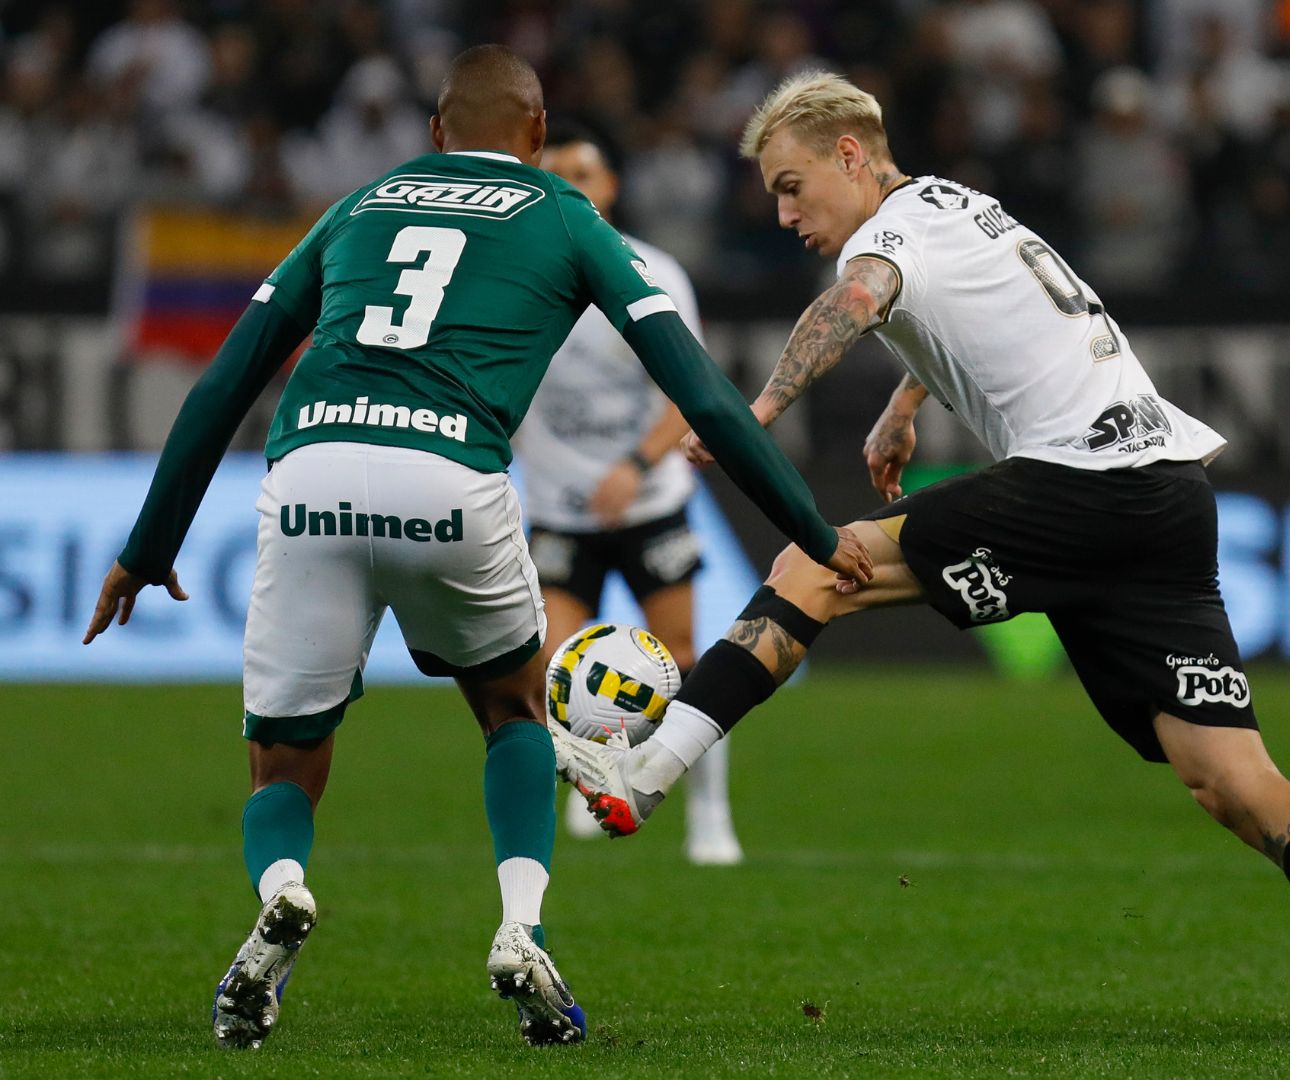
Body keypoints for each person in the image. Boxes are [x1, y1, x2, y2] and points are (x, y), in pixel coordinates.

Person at [551, 71, 1290, 1038]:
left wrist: (754, 409)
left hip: (1079, 485)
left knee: (814, 569)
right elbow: (1003, 316)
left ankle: (643, 774)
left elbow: (859, 299)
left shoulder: (881, 239)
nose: (783, 213)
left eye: (791, 185)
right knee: (1228, 778)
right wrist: (907, 402)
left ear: (851, 156)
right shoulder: (961, 207)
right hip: (1166, 496)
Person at [82, 46, 867, 1049]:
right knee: (511, 710)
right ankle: (518, 931)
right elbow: (703, 395)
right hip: (451, 477)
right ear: (538, 136)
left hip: (311, 472)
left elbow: (222, 385)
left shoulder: (361, 203)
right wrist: (811, 530)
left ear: (433, 135)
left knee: (280, 760)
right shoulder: (563, 213)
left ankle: (283, 891)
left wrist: (148, 549)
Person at [518, 123, 742, 865]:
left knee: (683, 658)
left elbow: (687, 390)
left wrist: (636, 468)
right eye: (556, 173)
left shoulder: (653, 271)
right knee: (554, 667)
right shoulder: (518, 275)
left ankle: (709, 815)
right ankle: (596, 786)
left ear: (609, 187)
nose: (571, 185)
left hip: (648, 501)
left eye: (583, 171)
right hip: (557, 506)